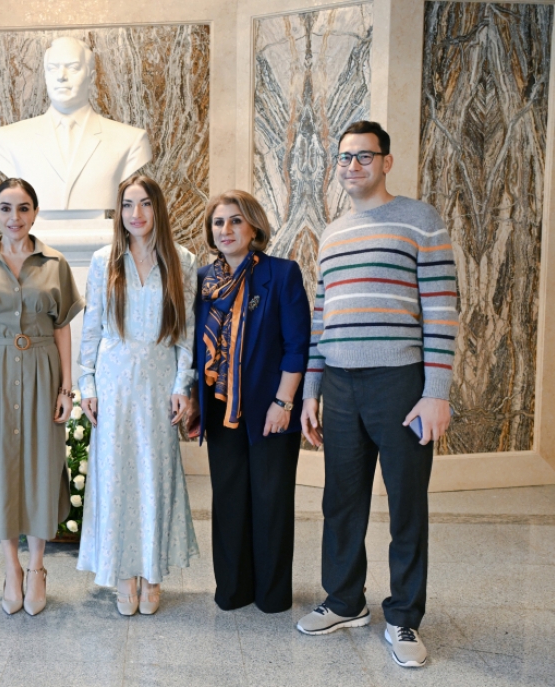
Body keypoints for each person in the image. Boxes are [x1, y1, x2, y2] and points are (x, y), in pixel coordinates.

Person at [296, 121, 457, 669]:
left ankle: (404, 616)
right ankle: (345, 601)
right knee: (341, 500)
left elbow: (441, 310)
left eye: (364, 156)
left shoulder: (420, 220)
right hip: (340, 384)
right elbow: (322, 319)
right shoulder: (332, 233)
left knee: (407, 503)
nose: (352, 166)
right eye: (344, 158)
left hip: (400, 383)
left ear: (386, 162)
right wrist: (311, 391)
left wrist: (436, 392)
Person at [76, 175, 200, 616]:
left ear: (157, 208)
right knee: (115, 478)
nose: (136, 214)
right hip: (113, 380)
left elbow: (186, 332)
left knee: (154, 476)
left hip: (158, 378)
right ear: (119, 212)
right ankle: (124, 573)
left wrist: (182, 385)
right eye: (128, 205)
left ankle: (152, 572)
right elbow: (91, 328)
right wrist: (87, 384)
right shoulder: (103, 261)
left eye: (145, 203)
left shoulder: (182, 260)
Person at [0, 178, 84, 616]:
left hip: (42, 370)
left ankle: (36, 568)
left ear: (35, 212)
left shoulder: (55, 262)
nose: (15, 217)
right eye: (6, 208)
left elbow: (62, 327)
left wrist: (66, 387)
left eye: (24, 208)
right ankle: (11, 567)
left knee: (41, 465)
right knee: (1, 465)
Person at [189, 190, 310, 614]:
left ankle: (272, 596)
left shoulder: (281, 273)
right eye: (218, 222)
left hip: (270, 409)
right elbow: (195, 348)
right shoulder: (203, 280)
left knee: (271, 501)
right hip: (220, 408)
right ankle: (233, 590)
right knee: (229, 500)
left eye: (235, 220)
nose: (226, 230)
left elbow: (297, 345)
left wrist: (284, 402)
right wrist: (194, 400)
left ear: (254, 226)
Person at [0, 37, 152, 211]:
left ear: (91, 76)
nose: (61, 77)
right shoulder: (8, 140)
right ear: (45, 76)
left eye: (73, 68)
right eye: (53, 68)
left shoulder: (131, 140)